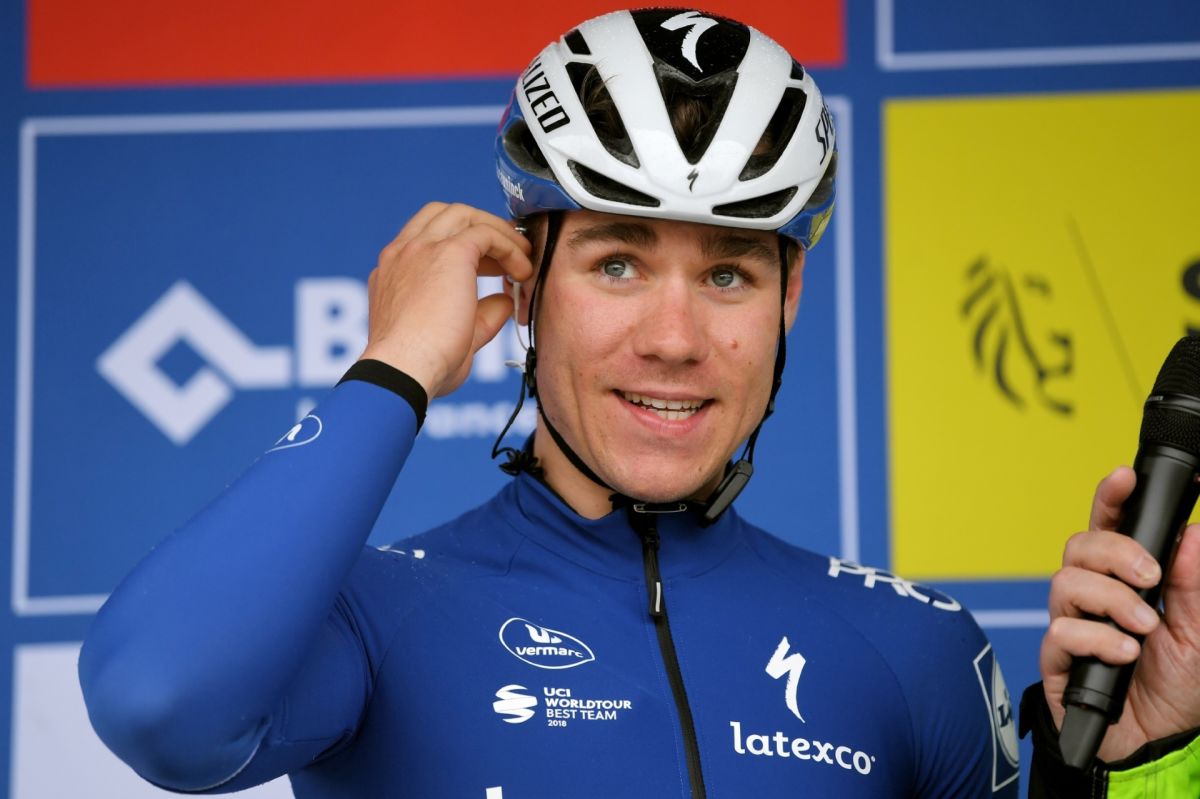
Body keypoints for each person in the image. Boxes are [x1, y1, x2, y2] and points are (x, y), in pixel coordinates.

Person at [75, 7, 1199, 798]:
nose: (674, 338)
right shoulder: (370, 621)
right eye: (616, 262)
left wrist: (1148, 756)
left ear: (790, 298)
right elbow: (158, 702)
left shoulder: (916, 648)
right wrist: (396, 367)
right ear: (524, 283)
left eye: (729, 274)